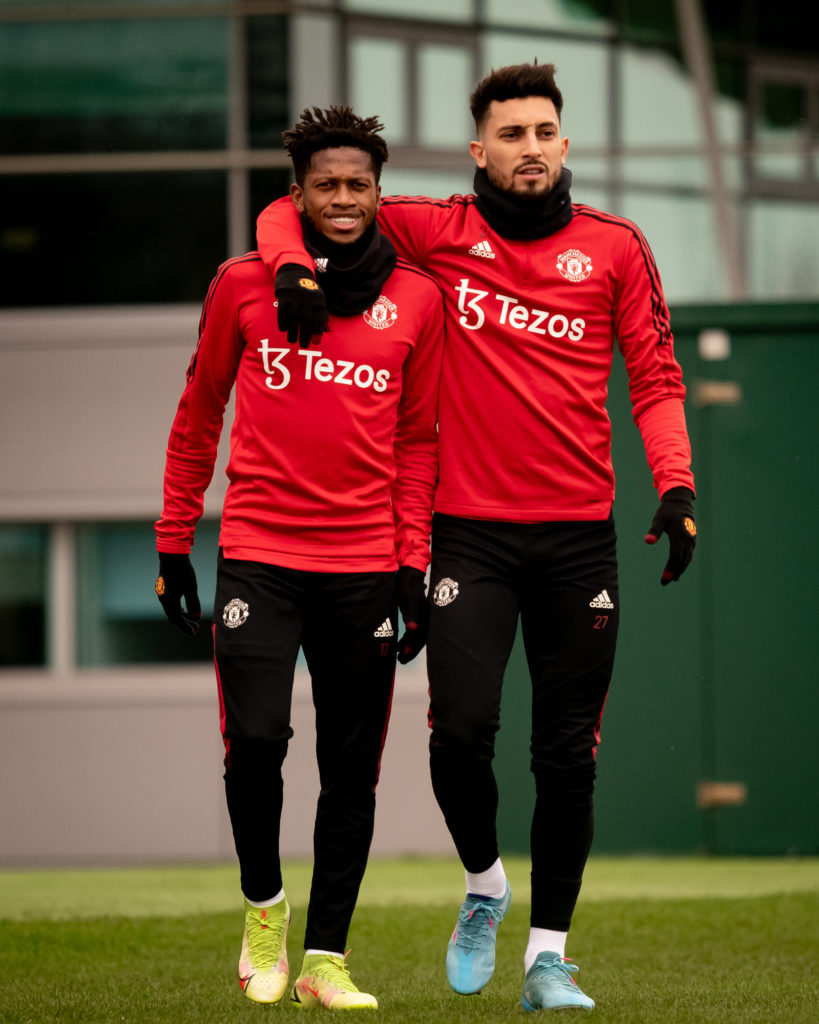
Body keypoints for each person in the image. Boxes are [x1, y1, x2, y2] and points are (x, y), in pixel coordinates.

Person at [256, 62, 697, 1013]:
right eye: (511, 134)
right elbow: (289, 211)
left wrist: (676, 484)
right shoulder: (434, 229)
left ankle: (549, 958)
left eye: (544, 132)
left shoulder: (617, 247)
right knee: (458, 733)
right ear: (478, 150)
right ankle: (485, 884)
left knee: (565, 753)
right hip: (467, 537)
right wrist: (293, 268)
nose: (529, 148)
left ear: (564, 144)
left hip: (578, 539)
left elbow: (655, 377)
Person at [154, 105, 444, 1011]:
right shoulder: (244, 283)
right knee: (256, 744)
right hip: (258, 558)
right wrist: (172, 542)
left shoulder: (420, 299)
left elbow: (418, 442)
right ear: (301, 193)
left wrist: (412, 563)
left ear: (378, 193)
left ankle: (326, 959)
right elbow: (198, 417)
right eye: (328, 185)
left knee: (350, 767)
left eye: (359, 184)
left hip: (362, 566)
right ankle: (264, 917)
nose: (345, 198)